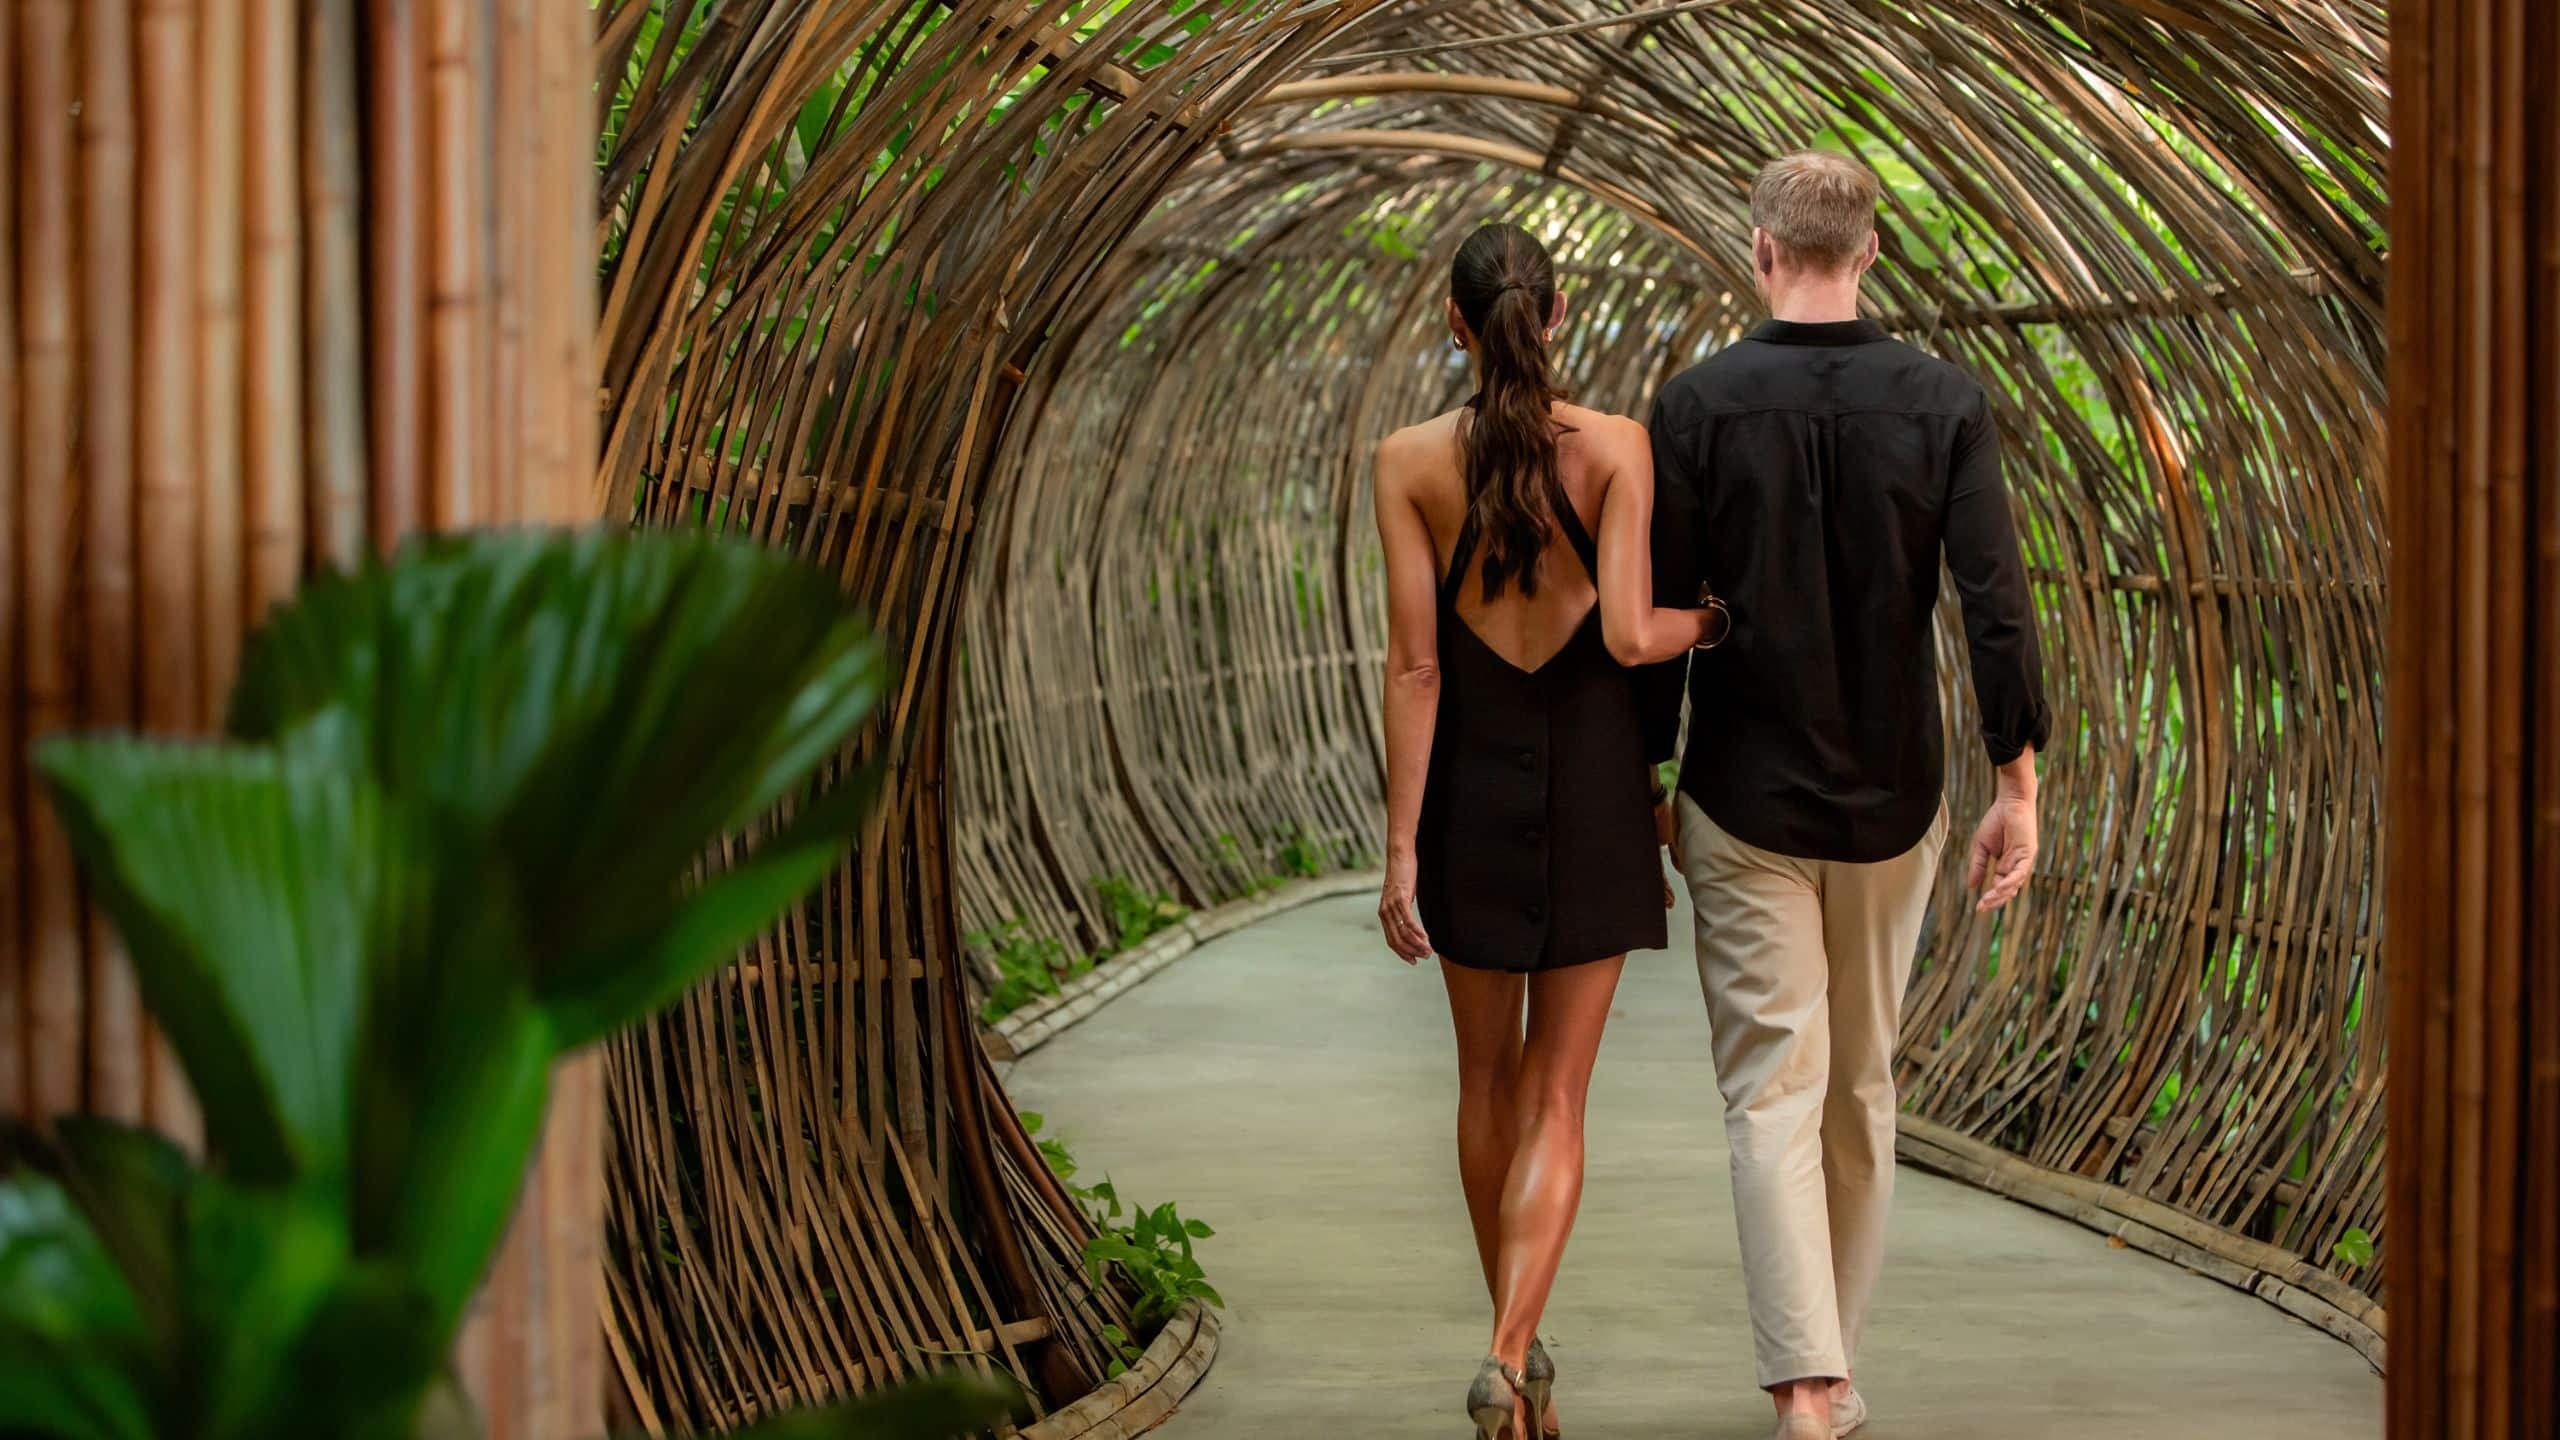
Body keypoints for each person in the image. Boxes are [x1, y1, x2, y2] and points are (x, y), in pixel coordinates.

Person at [1638, 151, 2051, 1440]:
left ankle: (1806, 1385)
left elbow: (1657, 607)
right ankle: (1829, 1373)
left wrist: (1656, 768)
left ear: (1760, 250)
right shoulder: (1943, 404)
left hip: (1741, 793)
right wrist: (2015, 780)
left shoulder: (1693, 406)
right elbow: (1994, 603)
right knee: (1861, 1088)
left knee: (1769, 1087)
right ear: (1868, 253)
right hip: (1894, 799)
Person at [1372, 221, 1721, 1440]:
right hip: (1592, 790)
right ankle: (1511, 1347)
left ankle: (1509, 1347)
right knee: (1558, 1097)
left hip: (1467, 790)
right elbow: (1630, 639)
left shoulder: (1407, 461)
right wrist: (1710, 626)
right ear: (1556, 315)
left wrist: (1401, 849)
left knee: (1483, 1079)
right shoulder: (1617, 448)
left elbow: (1417, 671)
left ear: (1457, 324)